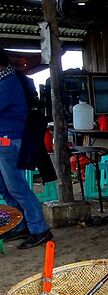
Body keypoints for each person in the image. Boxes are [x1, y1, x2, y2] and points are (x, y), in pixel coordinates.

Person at [0, 47, 53, 249]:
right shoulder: (6, 81)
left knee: (17, 188)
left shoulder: (9, 83)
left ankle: (40, 229)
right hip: (4, 141)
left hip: (9, 141)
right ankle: (21, 224)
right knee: (4, 188)